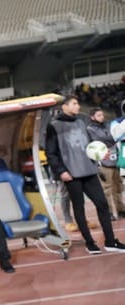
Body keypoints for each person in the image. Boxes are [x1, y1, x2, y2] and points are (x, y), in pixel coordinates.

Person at [45, 95, 125, 254]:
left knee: (102, 204)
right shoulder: (53, 126)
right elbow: (51, 153)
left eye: (78, 103)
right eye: (74, 104)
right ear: (64, 106)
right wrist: (61, 171)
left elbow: (89, 146)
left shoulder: (81, 122)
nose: (78, 106)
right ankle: (90, 242)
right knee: (79, 208)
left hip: (89, 170)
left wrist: (100, 154)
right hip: (71, 174)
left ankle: (110, 241)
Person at [86, 107, 125, 220]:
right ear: (92, 117)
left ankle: (121, 209)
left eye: (102, 115)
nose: (102, 117)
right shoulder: (90, 129)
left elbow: (114, 136)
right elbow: (107, 138)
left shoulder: (108, 125)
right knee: (107, 189)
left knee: (118, 186)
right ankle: (109, 212)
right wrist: (114, 137)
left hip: (115, 159)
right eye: (99, 115)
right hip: (103, 162)